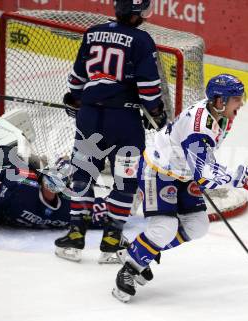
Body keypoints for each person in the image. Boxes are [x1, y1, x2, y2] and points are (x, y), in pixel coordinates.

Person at [111, 74, 248, 302]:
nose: (241, 103)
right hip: (158, 171)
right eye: (237, 98)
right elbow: (205, 175)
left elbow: (202, 163)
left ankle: (140, 249)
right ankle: (130, 268)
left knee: (197, 225)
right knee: (165, 226)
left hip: (182, 172)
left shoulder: (221, 116)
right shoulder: (199, 127)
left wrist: (205, 168)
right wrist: (242, 177)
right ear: (220, 101)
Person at [54, 0, 167, 263]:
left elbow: (76, 80)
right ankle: (112, 239)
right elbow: (149, 87)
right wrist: (157, 113)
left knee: (82, 174)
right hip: (124, 121)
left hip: (90, 117)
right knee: (125, 180)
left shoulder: (92, 33)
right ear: (136, 12)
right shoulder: (141, 40)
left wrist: (76, 99)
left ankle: (75, 234)